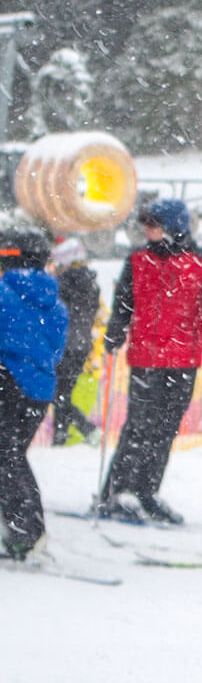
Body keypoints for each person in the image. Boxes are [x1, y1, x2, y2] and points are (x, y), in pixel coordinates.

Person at [97, 197, 202, 523]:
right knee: (139, 426)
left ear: (173, 227)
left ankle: (146, 490)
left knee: (165, 430)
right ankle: (116, 490)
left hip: (183, 360)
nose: (147, 230)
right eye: (146, 224)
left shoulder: (201, 261)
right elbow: (124, 301)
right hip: (146, 358)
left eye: (153, 224)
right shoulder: (138, 260)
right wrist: (115, 331)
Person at [0, 225, 68, 559]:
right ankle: (22, 526)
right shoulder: (55, 303)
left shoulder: (3, 293)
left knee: (5, 458)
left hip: (8, 385)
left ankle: (26, 530)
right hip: (38, 392)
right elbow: (55, 352)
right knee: (10, 457)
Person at [49, 237, 101, 445]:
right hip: (82, 344)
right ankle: (60, 436)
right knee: (64, 392)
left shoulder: (62, 284)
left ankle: (86, 429)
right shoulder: (91, 283)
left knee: (57, 394)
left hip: (64, 344)